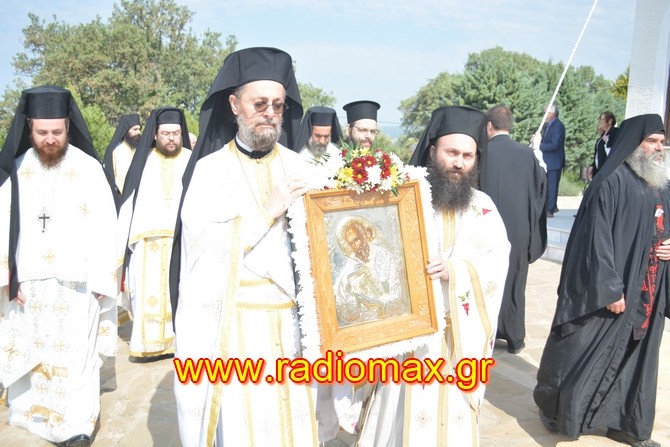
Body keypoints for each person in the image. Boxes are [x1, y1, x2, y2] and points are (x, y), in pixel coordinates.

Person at [169, 47, 318, 446]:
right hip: (236, 325)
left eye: (278, 106)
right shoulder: (209, 171)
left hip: (292, 325)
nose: (270, 113)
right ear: (235, 105)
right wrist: (268, 210)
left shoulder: (302, 168)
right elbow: (202, 251)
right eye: (259, 104)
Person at [357, 106, 510, 446]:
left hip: (458, 343)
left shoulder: (484, 208)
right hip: (409, 343)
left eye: (468, 156)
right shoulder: (405, 199)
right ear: (432, 151)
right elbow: (377, 256)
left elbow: (497, 263)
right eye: (451, 153)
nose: (459, 163)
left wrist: (455, 271)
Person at [534, 114, 669, 447]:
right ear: (634, 143)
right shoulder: (610, 182)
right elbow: (595, 240)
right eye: (651, 141)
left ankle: (626, 424)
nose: (659, 148)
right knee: (581, 350)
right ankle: (557, 411)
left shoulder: (661, 186)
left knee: (636, 359)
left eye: (661, 142)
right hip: (612, 290)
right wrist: (609, 287)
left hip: (648, 290)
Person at [0, 86, 118, 446]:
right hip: (29, 283)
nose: (50, 139)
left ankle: (77, 424)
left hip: (78, 281)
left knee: (76, 354)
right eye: (42, 132)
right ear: (29, 128)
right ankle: (32, 415)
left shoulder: (88, 168)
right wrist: (9, 278)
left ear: (68, 126)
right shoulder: (15, 169)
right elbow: (2, 225)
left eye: (57, 131)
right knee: (35, 351)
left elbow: (106, 224)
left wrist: (103, 277)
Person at [117, 107, 191, 362]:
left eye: (176, 133)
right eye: (166, 133)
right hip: (147, 241)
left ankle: (178, 344)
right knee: (147, 294)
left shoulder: (191, 160)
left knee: (180, 294)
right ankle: (148, 346)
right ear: (156, 134)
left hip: (181, 240)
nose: (171, 138)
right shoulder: (143, 160)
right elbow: (128, 201)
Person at [484, 105, 547, 354]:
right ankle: (514, 336)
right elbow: (541, 189)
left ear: (489, 125)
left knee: (487, 281)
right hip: (519, 230)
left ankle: (488, 333)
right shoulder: (527, 154)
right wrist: (537, 152)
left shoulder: (481, 153)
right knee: (515, 281)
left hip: (487, 228)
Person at [333, 216, 407, 326]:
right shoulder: (350, 267)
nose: (355, 246)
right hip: (365, 327)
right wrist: (349, 286)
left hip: (391, 322)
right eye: (351, 243)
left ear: (366, 235)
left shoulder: (385, 256)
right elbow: (344, 309)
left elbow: (397, 297)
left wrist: (375, 302)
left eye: (356, 240)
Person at [534, 104, 565, 217]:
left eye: (546, 113)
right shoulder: (548, 125)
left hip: (554, 161)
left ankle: (550, 209)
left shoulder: (558, 126)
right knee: (547, 186)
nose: (544, 115)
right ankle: (549, 206)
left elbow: (554, 145)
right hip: (548, 160)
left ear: (552, 114)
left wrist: (538, 145)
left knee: (552, 187)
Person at [102, 113, 142, 196]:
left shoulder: (135, 148)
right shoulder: (120, 150)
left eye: (139, 129)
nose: (138, 132)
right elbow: (122, 180)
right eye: (135, 129)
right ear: (126, 131)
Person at [591, 110, 618, 178]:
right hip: (598, 171)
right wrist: (593, 166)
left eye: (603, 119)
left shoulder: (615, 133)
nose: (600, 122)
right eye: (600, 119)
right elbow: (598, 153)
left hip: (607, 172)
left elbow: (614, 152)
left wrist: (607, 142)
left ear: (610, 121)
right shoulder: (603, 134)